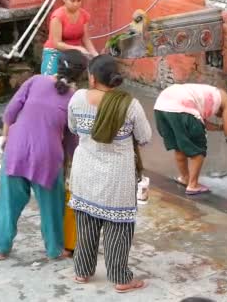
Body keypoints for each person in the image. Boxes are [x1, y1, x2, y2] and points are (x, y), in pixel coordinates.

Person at [0, 50, 88, 260]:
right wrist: (71, 166)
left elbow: (10, 113)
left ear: (57, 66)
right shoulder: (74, 100)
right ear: (81, 75)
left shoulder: (35, 80)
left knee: (8, 204)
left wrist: (7, 139)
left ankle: (1, 248)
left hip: (16, 150)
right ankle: (55, 249)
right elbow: (72, 141)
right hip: (48, 157)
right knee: (52, 207)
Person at [68, 54, 151, 293]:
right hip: (117, 177)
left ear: (92, 78)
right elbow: (145, 138)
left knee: (86, 224)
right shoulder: (129, 105)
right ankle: (120, 278)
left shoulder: (78, 98)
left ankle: (82, 271)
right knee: (119, 229)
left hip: (84, 172)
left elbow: (73, 127)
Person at [154, 83, 227, 195]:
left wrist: (219, 128)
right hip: (181, 107)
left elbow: (204, 124)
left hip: (161, 106)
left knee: (179, 148)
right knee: (198, 151)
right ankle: (193, 185)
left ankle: (185, 178)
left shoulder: (208, 95)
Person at [41, 0, 98, 75]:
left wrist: (95, 55)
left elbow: (86, 39)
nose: (76, 4)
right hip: (55, 52)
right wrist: (78, 49)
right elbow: (57, 44)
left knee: (71, 83)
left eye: (79, 1)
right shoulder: (58, 16)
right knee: (49, 81)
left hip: (74, 55)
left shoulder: (84, 15)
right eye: (72, 1)